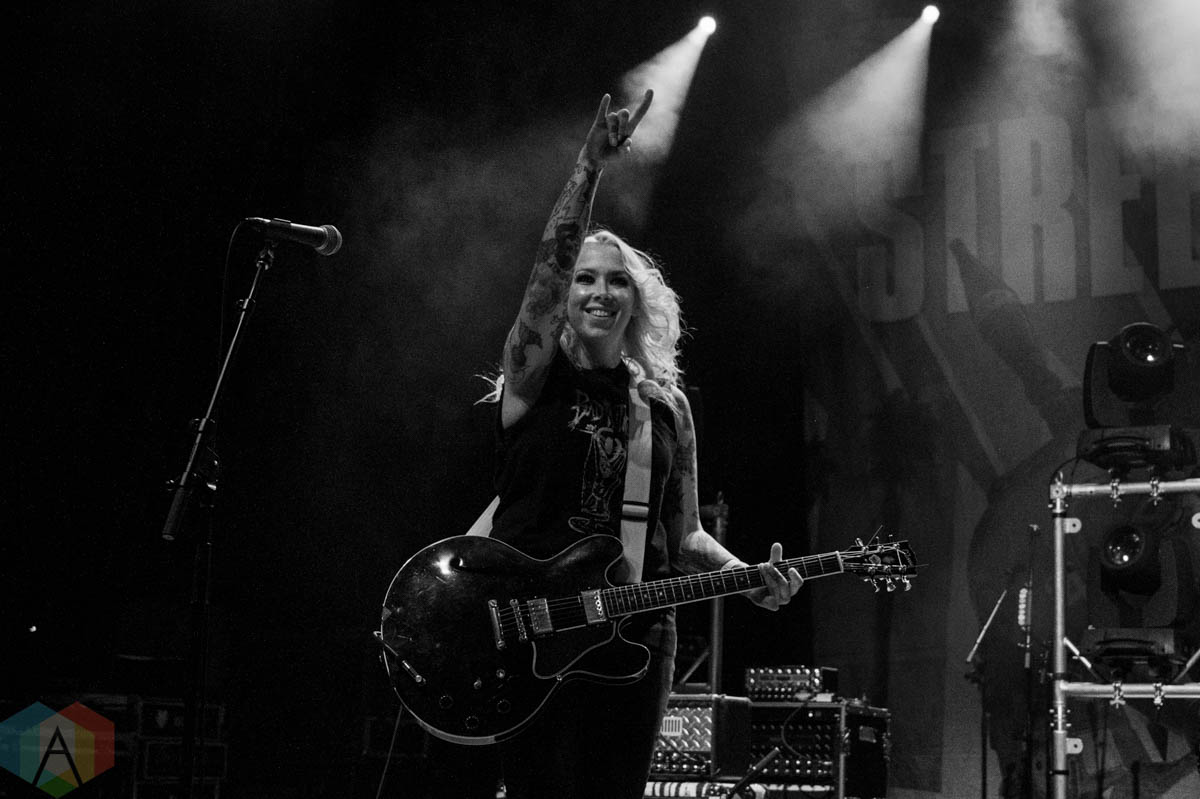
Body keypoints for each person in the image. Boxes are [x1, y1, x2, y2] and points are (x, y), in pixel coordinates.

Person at [483, 90, 803, 799]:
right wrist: (588, 169)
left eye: (616, 280)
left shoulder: (663, 405)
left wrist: (749, 575)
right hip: (532, 628)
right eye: (585, 278)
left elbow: (684, 534)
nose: (598, 291)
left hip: (635, 634)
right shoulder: (532, 377)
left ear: (637, 301)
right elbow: (542, 278)